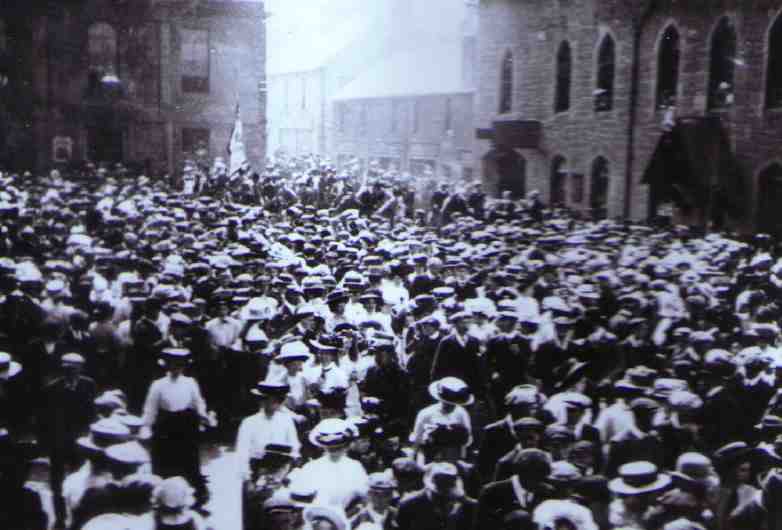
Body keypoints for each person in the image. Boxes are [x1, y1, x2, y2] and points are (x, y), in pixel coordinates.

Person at [142, 348, 213, 508]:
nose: (175, 368)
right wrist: (146, 427)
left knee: (188, 462)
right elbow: (150, 408)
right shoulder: (158, 385)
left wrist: (203, 416)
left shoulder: (190, 383)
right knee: (165, 462)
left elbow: (198, 402)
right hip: (165, 428)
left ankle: (188, 498)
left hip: (186, 427)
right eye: (172, 365)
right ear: (166, 366)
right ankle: (165, 497)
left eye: (179, 365)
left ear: (184, 366)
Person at [37, 352, 97, 528]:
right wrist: (46, 444)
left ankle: (79, 517)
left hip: (80, 442)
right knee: (57, 483)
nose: (70, 372)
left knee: (79, 480)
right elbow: (45, 420)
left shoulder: (88, 385)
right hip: (59, 442)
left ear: (80, 369)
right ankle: (60, 518)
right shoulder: (52, 389)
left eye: (74, 368)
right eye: (67, 369)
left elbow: (91, 413)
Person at [295, 418, 369, 512]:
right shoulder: (311, 467)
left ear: (346, 446)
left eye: (339, 447)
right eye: (330, 448)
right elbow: (301, 499)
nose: (334, 451)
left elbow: (364, 495)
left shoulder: (355, 467)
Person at [394, 462, 476, 530]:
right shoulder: (408, 504)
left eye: (447, 494)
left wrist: (465, 501)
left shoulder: (460, 504)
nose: (444, 498)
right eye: (439, 495)